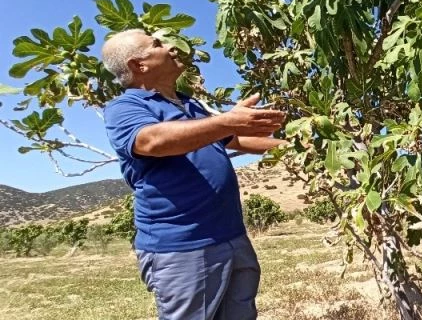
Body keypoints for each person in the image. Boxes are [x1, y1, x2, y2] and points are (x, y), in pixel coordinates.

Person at [101, 29, 286, 319]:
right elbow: (152, 141)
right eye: (158, 44)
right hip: (182, 246)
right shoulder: (125, 107)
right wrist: (227, 121)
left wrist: (298, 148)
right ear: (139, 65)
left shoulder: (189, 104)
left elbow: (234, 140)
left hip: (232, 236)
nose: (172, 47)